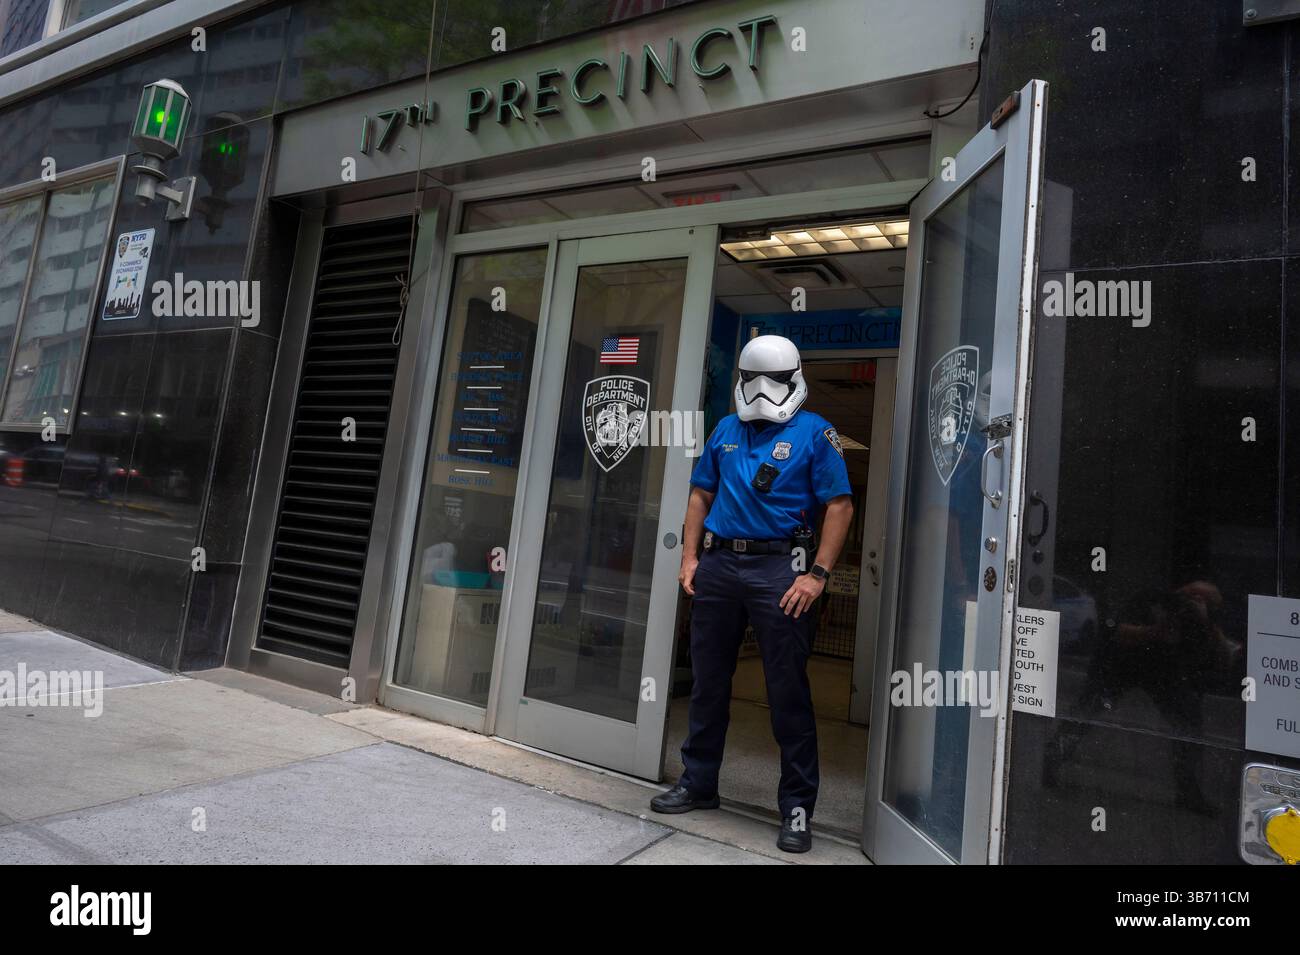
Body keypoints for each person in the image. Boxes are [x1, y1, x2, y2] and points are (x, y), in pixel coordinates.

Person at [650, 334, 854, 853]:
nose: (762, 389)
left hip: (781, 570)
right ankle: (699, 783)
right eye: (752, 379)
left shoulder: (816, 433)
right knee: (708, 681)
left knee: (787, 692)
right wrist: (689, 558)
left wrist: (818, 574)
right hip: (720, 565)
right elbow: (700, 494)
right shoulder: (725, 429)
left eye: (775, 380)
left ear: (794, 379)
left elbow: (840, 506)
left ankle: (797, 810)